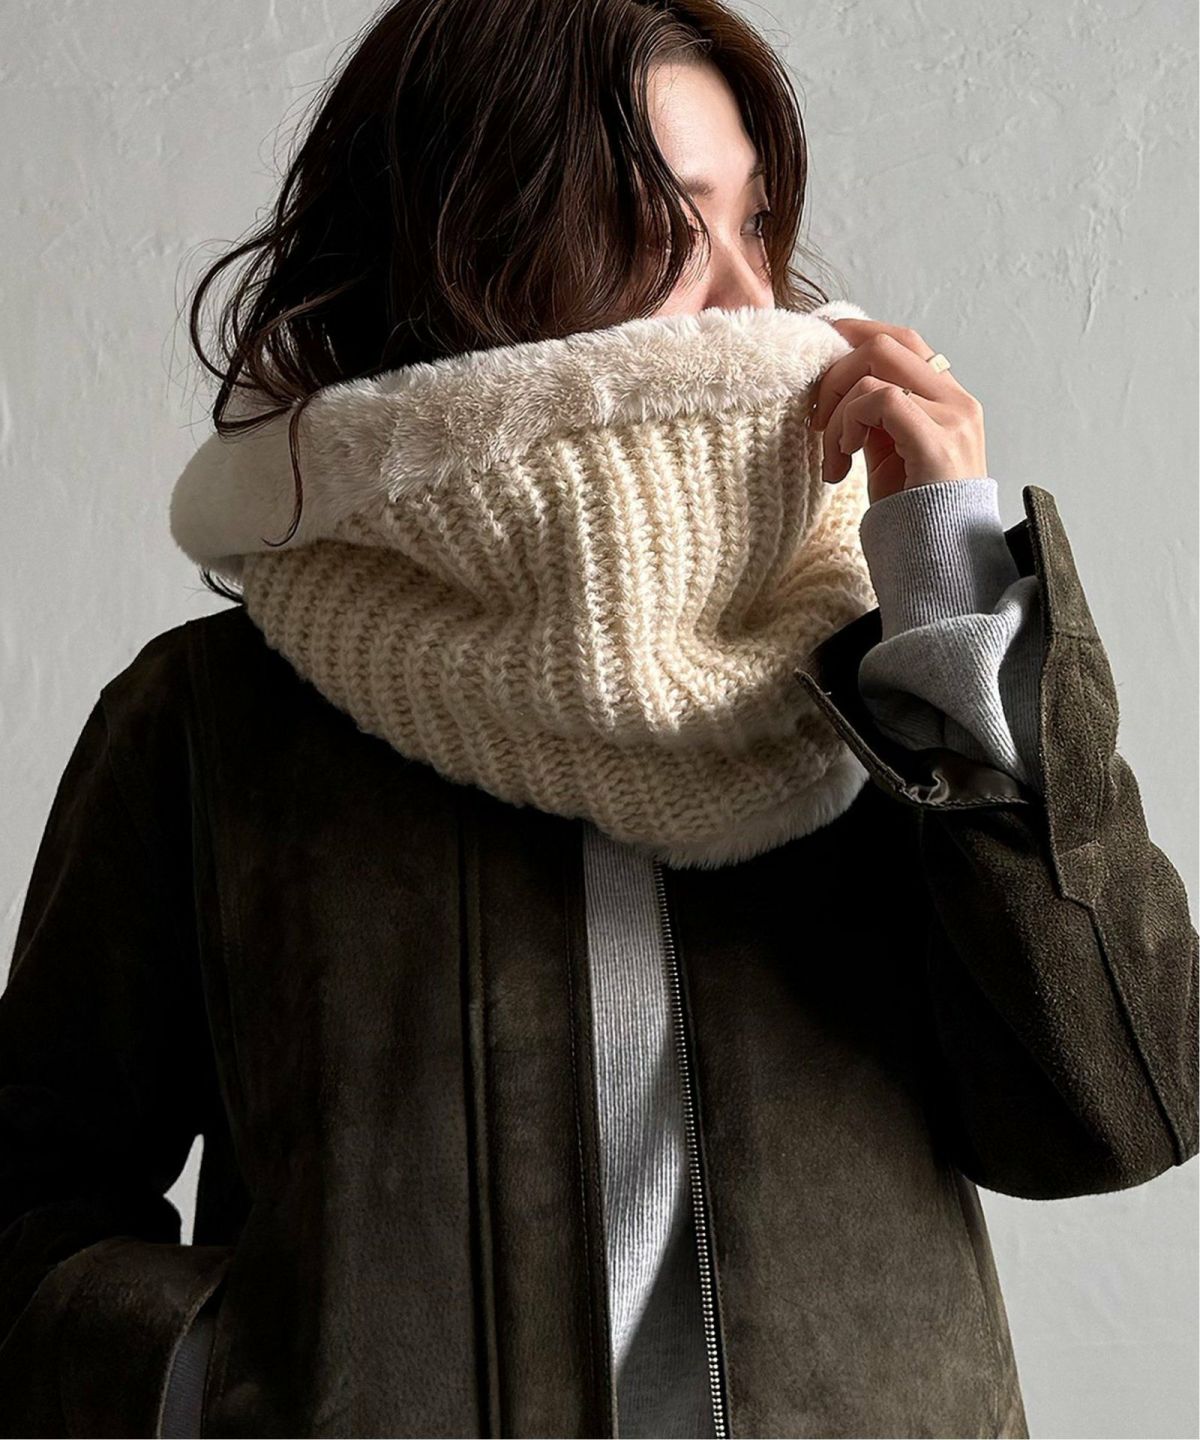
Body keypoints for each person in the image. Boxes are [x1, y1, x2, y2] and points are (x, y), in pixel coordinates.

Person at [1, 3, 1195, 1438]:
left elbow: (1118, 1115)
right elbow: (28, 1208)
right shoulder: (212, 724)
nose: (751, 303)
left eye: (758, 226)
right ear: (472, 252)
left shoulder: (881, 687)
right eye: (667, 232)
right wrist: (219, 1382)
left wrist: (954, 584)